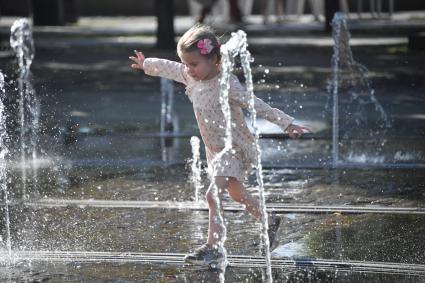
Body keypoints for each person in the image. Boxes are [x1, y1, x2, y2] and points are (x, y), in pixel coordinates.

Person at [129, 24, 309, 266]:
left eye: (193, 64)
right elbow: (170, 68)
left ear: (214, 59)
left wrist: (286, 124)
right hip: (214, 148)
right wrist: (146, 64)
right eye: (186, 63)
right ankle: (269, 220)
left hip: (233, 146)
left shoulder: (227, 84)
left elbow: (255, 103)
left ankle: (213, 247)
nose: (188, 69)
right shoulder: (189, 75)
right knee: (236, 193)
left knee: (212, 194)